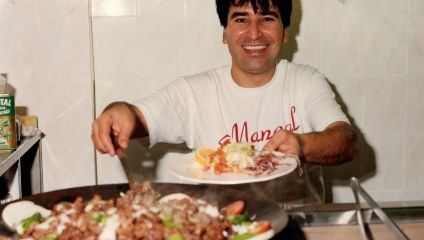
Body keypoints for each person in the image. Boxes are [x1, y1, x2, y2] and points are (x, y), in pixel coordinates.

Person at [91, 0, 357, 205]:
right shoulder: (194, 92)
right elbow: (133, 115)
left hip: (297, 226)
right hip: (222, 228)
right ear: (225, 33)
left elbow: (346, 142)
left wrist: (301, 144)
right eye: (241, 18)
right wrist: (115, 112)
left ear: (285, 33)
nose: (254, 33)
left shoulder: (305, 81)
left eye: (267, 18)